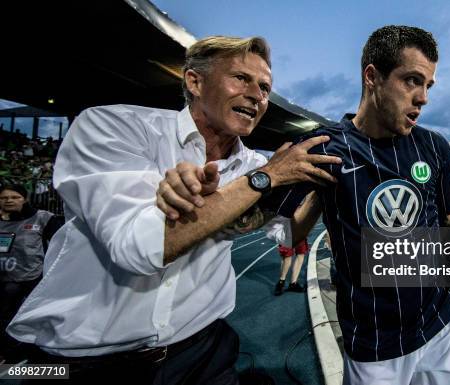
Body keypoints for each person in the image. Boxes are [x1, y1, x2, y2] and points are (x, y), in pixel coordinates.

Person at [7, 36, 339, 384]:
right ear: (195, 81)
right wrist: (265, 178)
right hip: (87, 364)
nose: (258, 95)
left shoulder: (253, 164)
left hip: (203, 350)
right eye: (241, 78)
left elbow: (289, 234)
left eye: (265, 87)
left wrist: (318, 190)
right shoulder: (114, 127)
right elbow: (139, 250)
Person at [159, 26, 450, 385]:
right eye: (412, 81)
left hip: (443, 322)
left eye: (428, 86)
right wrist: (201, 197)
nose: (423, 98)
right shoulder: (322, 149)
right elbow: (274, 230)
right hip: (375, 346)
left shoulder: (433, 146)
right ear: (372, 77)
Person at [0, 184, 63, 362]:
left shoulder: (42, 218)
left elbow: (61, 246)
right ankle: (10, 357)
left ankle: (34, 359)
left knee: (32, 319)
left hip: (33, 279)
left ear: (24, 199)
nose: (9, 201)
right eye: (4, 198)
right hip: (4, 279)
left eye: (14, 197)